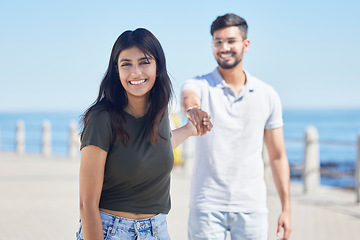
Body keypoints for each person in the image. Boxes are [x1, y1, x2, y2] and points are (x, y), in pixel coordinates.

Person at [76, 28, 211, 240]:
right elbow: (87, 203)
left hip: (157, 230)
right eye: (126, 64)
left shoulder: (158, 110)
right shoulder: (101, 118)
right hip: (111, 231)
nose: (136, 72)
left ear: (157, 66)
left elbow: (153, 147)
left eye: (144, 62)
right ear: (116, 70)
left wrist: (188, 130)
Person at [181, 13, 291, 240]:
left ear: (246, 44)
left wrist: (286, 208)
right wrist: (193, 110)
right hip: (207, 205)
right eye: (218, 41)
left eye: (231, 41)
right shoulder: (199, 84)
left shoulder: (267, 94)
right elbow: (188, 98)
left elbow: (278, 156)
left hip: (252, 207)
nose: (224, 47)